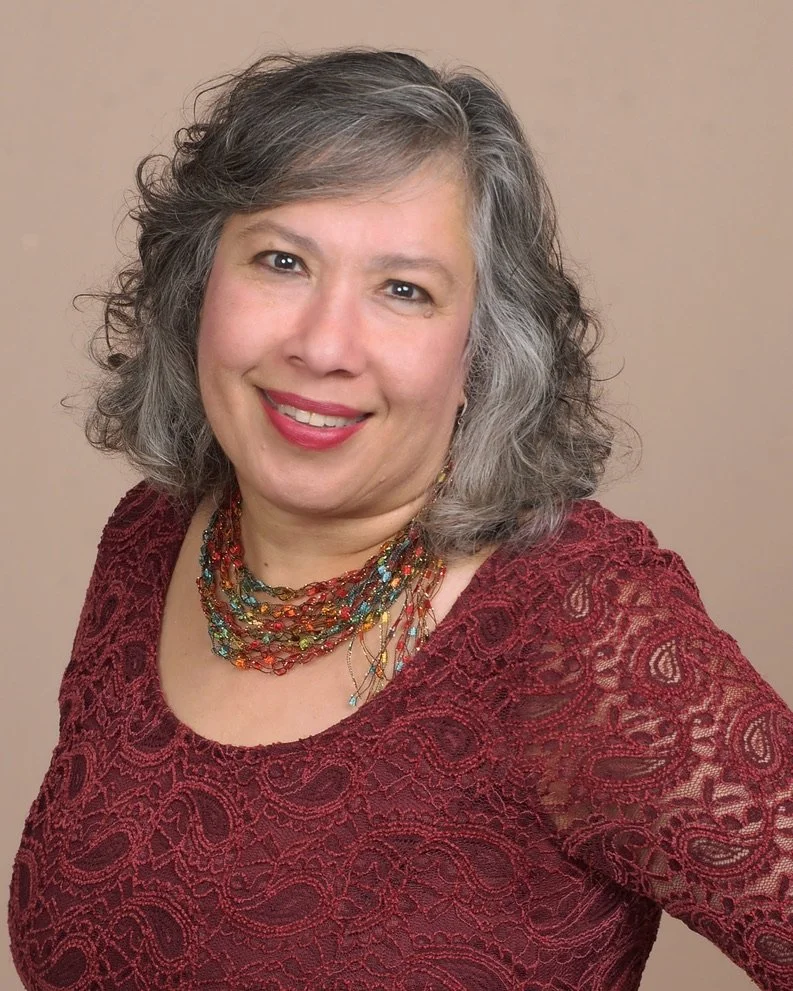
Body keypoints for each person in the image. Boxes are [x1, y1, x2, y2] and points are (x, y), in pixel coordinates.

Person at [8, 49, 792, 991]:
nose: (323, 344)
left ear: (481, 355)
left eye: (403, 290)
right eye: (282, 261)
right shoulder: (152, 540)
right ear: (197, 289)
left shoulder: (576, 627)